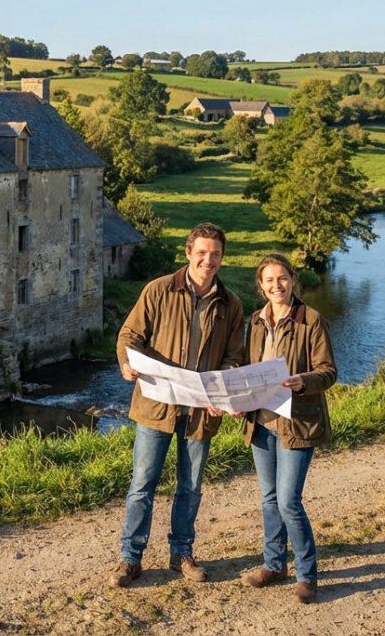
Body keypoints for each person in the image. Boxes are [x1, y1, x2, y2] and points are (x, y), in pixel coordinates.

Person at [111, 222, 246, 587]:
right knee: (143, 483)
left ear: (222, 257)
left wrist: (222, 390)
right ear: (188, 253)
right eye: (201, 253)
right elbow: (129, 335)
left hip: (201, 413)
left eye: (215, 254)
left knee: (190, 487)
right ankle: (130, 557)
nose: (208, 260)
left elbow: (235, 357)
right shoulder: (158, 290)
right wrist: (126, 362)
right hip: (156, 407)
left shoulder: (231, 304)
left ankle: (181, 554)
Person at [239, 253, 336, 603]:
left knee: (289, 501)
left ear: (293, 280)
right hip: (262, 421)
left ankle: (307, 574)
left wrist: (302, 382)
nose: (276, 286)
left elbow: (328, 372)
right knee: (268, 499)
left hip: (297, 423)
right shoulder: (256, 321)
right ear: (261, 286)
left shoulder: (311, 320)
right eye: (269, 280)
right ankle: (273, 563)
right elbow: (250, 370)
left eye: (282, 278)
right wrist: (240, 402)